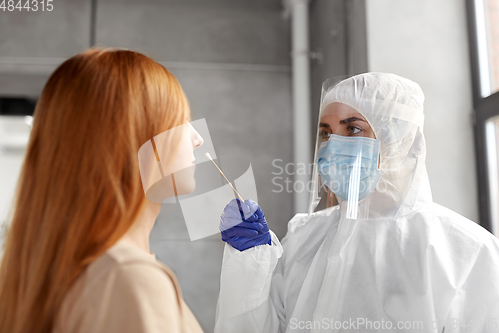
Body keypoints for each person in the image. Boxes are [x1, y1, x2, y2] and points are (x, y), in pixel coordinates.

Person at [214, 73, 499, 332]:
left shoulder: (463, 250)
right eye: (326, 132)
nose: (332, 146)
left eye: (352, 129)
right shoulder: (304, 236)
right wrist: (250, 264)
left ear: (397, 139)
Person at [0, 48, 205, 333]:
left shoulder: (65, 268)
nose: (198, 138)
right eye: (182, 121)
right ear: (135, 136)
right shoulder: (127, 279)